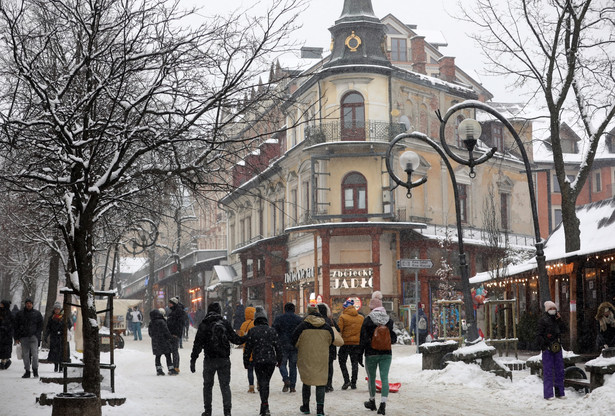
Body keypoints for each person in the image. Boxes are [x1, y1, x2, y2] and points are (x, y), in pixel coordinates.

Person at [190, 302, 246, 416]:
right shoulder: (225, 323)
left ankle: (207, 410)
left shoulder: (204, 324)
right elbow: (236, 340)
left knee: (207, 386)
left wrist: (193, 359)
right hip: (224, 359)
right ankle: (227, 411)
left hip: (209, 359)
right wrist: (248, 337)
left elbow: (198, 344)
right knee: (225, 386)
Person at [291, 303, 334, 416]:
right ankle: (320, 409)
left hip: (306, 356)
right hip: (322, 357)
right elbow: (331, 340)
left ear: (308, 312)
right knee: (320, 382)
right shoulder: (326, 326)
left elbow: (294, 339)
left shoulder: (303, 325)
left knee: (307, 381)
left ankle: (306, 406)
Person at [361, 291, 397, 415]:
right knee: (384, 378)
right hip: (386, 353)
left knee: (371, 378)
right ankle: (383, 403)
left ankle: (372, 401)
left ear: (372, 308)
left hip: (371, 353)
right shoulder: (389, 321)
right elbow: (393, 338)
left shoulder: (368, 320)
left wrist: (360, 354)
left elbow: (363, 339)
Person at [243, 307, 281, 416]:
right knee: (266, 382)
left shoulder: (252, 331)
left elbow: (248, 348)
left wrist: (246, 361)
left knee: (262, 382)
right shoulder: (271, 331)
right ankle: (264, 405)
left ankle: (264, 404)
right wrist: (280, 360)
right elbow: (278, 347)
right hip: (270, 360)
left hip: (258, 360)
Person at [537, 300, 567, 400]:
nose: (553, 310)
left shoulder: (557, 320)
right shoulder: (543, 320)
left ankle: (560, 392)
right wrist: (544, 346)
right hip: (547, 349)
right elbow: (539, 335)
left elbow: (564, 330)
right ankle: (548, 394)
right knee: (548, 371)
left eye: (554, 308)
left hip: (557, 348)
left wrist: (560, 320)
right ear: (547, 310)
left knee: (559, 371)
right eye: (550, 309)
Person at [272, 302, 303, 393]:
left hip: (282, 344)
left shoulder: (279, 319)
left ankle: (286, 379)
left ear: (284, 309)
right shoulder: (299, 319)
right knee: (293, 366)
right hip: (294, 345)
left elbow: (274, 330)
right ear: (294, 309)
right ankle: (292, 386)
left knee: (282, 363)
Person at [337, 298, 364, 390]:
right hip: (356, 343)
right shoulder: (361, 318)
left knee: (342, 361)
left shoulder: (343, 317)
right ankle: (354, 383)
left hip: (345, 343)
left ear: (345, 308)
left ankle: (346, 380)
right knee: (354, 363)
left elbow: (339, 330)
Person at [14, 298, 44, 378]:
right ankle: (27, 371)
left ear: (32, 304)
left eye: (30, 303)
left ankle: (35, 370)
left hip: (33, 337)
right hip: (24, 337)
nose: (28, 304)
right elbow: (16, 326)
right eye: (27, 303)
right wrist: (16, 337)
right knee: (25, 355)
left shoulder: (37, 314)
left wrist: (37, 335)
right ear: (25, 304)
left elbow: (41, 325)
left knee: (35, 354)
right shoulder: (20, 314)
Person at [317, 302, 338, 392]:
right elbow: (338, 330)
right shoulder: (331, 321)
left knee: (321, 366)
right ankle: (329, 384)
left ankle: (323, 383)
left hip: (320, 346)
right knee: (330, 366)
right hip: (331, 346)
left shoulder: (317, 321)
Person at [148, 308, 175, 376]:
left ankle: (159, 370)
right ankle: (171, 369)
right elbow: (166, 331)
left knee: (158, 356)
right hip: (164, 341)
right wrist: (170, 338)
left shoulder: (151, 322)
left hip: (156, 342)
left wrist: (154, 337)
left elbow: (150, 333)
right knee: (168, 356)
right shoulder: (162, 321)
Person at [44, 302, 68, 372]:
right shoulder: (51, 318)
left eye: (58, 309)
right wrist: (46, 336)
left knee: (61, 352)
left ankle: (61, 366)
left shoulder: (63, 317)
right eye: (56, 309)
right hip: (54, 337)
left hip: (61, 337)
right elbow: (48, 327)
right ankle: (56, 366)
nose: (57, 310)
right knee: (54, 352)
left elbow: (68, 325)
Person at [239, 306, 256, 393]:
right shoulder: (256, 324)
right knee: (258, 369)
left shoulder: (243, 324)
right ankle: (260, 384)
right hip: (256, 350)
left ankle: (251, 386)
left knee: (250, 370)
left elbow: (241, 337)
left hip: (247, 350)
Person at [167, 296, 186, 373]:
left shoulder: (178, 312)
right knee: (172, 350)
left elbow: (179, 325)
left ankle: (175, 367)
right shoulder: (174, 311)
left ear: (174, 304)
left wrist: (176, 334)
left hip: (174, 334)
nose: (169, 305)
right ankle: (174, 367)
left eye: (170, 303)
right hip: (171, 333)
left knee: (174, 351)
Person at [0, 300, 14, 370]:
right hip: (1, 334)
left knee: (5, 349)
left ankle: (4, 361)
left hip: (6, 335)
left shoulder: (9, 314)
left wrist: (5, 328)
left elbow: (11, 324)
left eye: (2, 304)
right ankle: (4, 361)